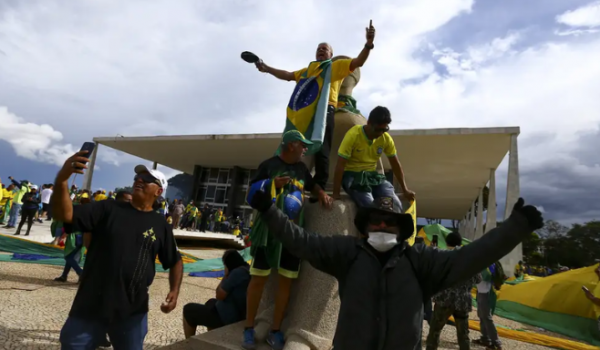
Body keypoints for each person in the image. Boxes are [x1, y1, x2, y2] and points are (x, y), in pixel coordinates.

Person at [247, 186, 543, 350]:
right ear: (364, 226)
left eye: (390, 221)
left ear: (402, 229)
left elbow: (470, 257)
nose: (382, 226)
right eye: (376, 220)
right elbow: (303, 242)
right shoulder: (347, 253)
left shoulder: (421, 261)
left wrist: (515, 229)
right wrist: (270, 212)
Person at [52, 150, 183, 350]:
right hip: (90, 306)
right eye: (137, 177)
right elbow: (66, 215)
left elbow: (174, 260)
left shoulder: (160, 224)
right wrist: (62, 181)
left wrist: (174, 290)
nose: (139, 179)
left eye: (147, 179)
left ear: (158, 191)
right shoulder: (107, 209)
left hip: (132, 311)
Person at [255, 22, 376, 189]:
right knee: (296, 146)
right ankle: (289, 178)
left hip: (325, 112)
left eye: (325, 49)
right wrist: (267, 68)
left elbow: (358, 62)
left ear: (331, 55)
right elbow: (288, 75)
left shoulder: (335, 67)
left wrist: (368, 45)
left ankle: (318, 186)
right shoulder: (308, 71)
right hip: (305, 113)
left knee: (322, 151)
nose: (321, 50)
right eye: (319, 48)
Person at [243, 130, 333, 350]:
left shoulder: (302, 169)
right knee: (258, 280)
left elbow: (312, 186)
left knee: (286, 281)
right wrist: (273, 184)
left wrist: (321, 194)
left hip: (293, 234)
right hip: (267, 233)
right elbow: (251, 195)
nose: (305, 150)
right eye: (302, 146)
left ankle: (275, 330)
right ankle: (248, 328)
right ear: (291, 145)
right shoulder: (268, 165)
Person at [332, 106, 415, 208]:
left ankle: (389, 221)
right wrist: (336, 193)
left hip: (372, 177)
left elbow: (395, 164)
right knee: (371, 207)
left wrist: (405, 190)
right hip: (353, 177)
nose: (380, 133)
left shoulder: (385, 139)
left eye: (384, 129)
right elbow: (340, 165)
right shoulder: (354, 135)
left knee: (394, 205)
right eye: (377, 129)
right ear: (369, 123)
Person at [426, 232, 482, 350]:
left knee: (435, 331)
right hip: (463, 301)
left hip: (444, 299)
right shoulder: (470, 259)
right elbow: (478, 279)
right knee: (463, 334)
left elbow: (433, 275)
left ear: (447, 242)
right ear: (460, 243)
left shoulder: (442, 256)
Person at [183, 250, 251, 338]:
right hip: (238, 313)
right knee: (211, 302)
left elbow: (219, 295)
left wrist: (226, 276)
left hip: (228, 318)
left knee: (188, 309)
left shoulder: (236, 273)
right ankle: (213, 337)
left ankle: (189, 344)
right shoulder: (246, 269)